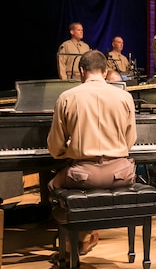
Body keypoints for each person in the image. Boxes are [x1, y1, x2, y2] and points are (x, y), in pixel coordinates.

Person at [46, 50, 138, 256]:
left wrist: (69, 151)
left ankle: (76, 237)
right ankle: (88, 234)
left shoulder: (67, 97)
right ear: (105, 72)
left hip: (83, 177)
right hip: (120, 175)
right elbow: (130, 140)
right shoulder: (125, 97)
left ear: (81, 71)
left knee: (52, 185)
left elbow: (55, 146)